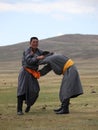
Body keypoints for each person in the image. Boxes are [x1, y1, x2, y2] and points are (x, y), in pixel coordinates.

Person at [17, 37, 45, 115]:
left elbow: (45, 54)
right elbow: (29, 61)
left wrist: (51, 55)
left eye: (37, 42)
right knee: (22, 90)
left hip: (33, 73)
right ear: (30, 43)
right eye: (34, 42)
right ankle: (19, 110)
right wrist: (38, 58)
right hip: (25, 72)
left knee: (36, 90)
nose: (35, 43)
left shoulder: (39, 51)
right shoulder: (27, 51)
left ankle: (29, 105)